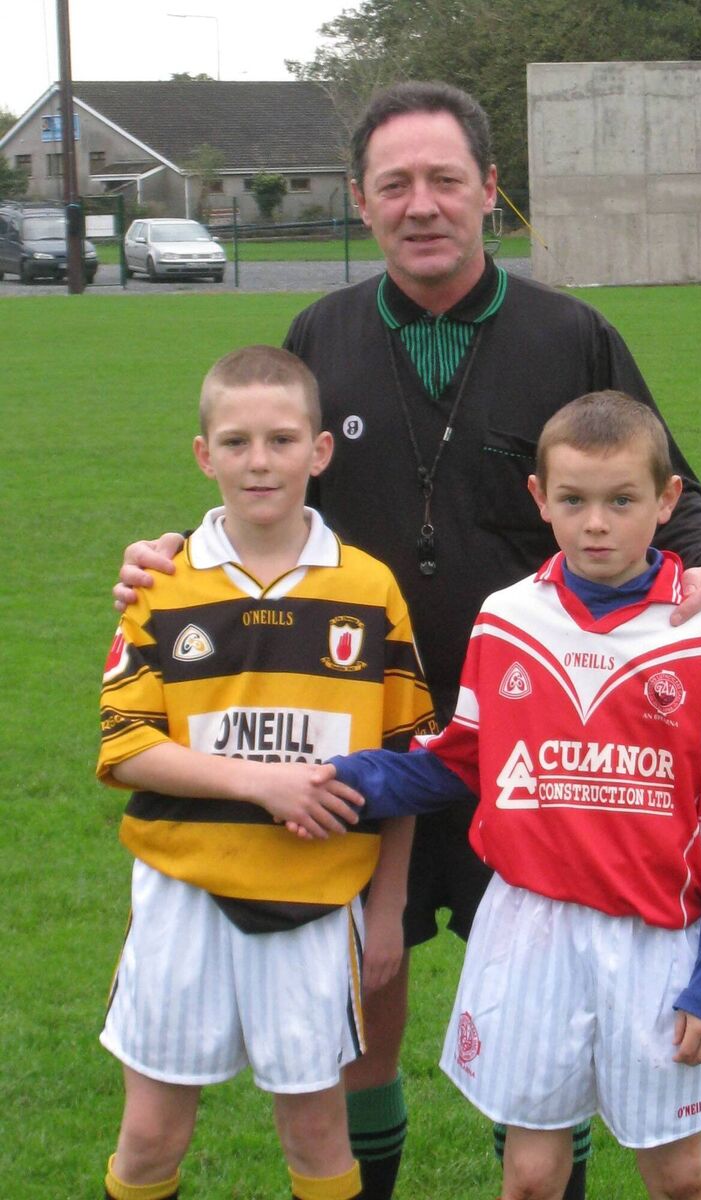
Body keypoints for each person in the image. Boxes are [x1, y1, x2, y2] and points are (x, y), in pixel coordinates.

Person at [113, 82, 701, 1200]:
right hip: (380, 741)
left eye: (446, 180)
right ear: (362, 202)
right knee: (368, 985)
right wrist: (181, 551)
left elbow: (676, 498)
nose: (423, 205)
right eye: (396, 184)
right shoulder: (321, 330)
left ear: (489, 192)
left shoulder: (570, 333)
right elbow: (267, 477)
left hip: (553, 745)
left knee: (567, 983)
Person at [327, 391, 701, 1200]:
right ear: (539, 499)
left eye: (623, 501)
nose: (597, 524)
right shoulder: (508, 620)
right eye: (574, 500)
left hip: (657, 943)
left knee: (680, 1178)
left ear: (666, 501)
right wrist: (338, 779)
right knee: (532, 1176)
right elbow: (461, 762)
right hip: (530, 933)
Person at [96, 345, 437, 1200]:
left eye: (282, 441)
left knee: (318, 1132)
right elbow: (127, 746)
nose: (260, 462)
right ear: (204, 455)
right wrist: (262, 782)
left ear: (319, 452)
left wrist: (388, 907)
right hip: (183, 895)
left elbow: (406, 765)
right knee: (149, 1135)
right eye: (238, 442)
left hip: (319, 900)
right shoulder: (160, 587)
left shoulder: (370, 588)